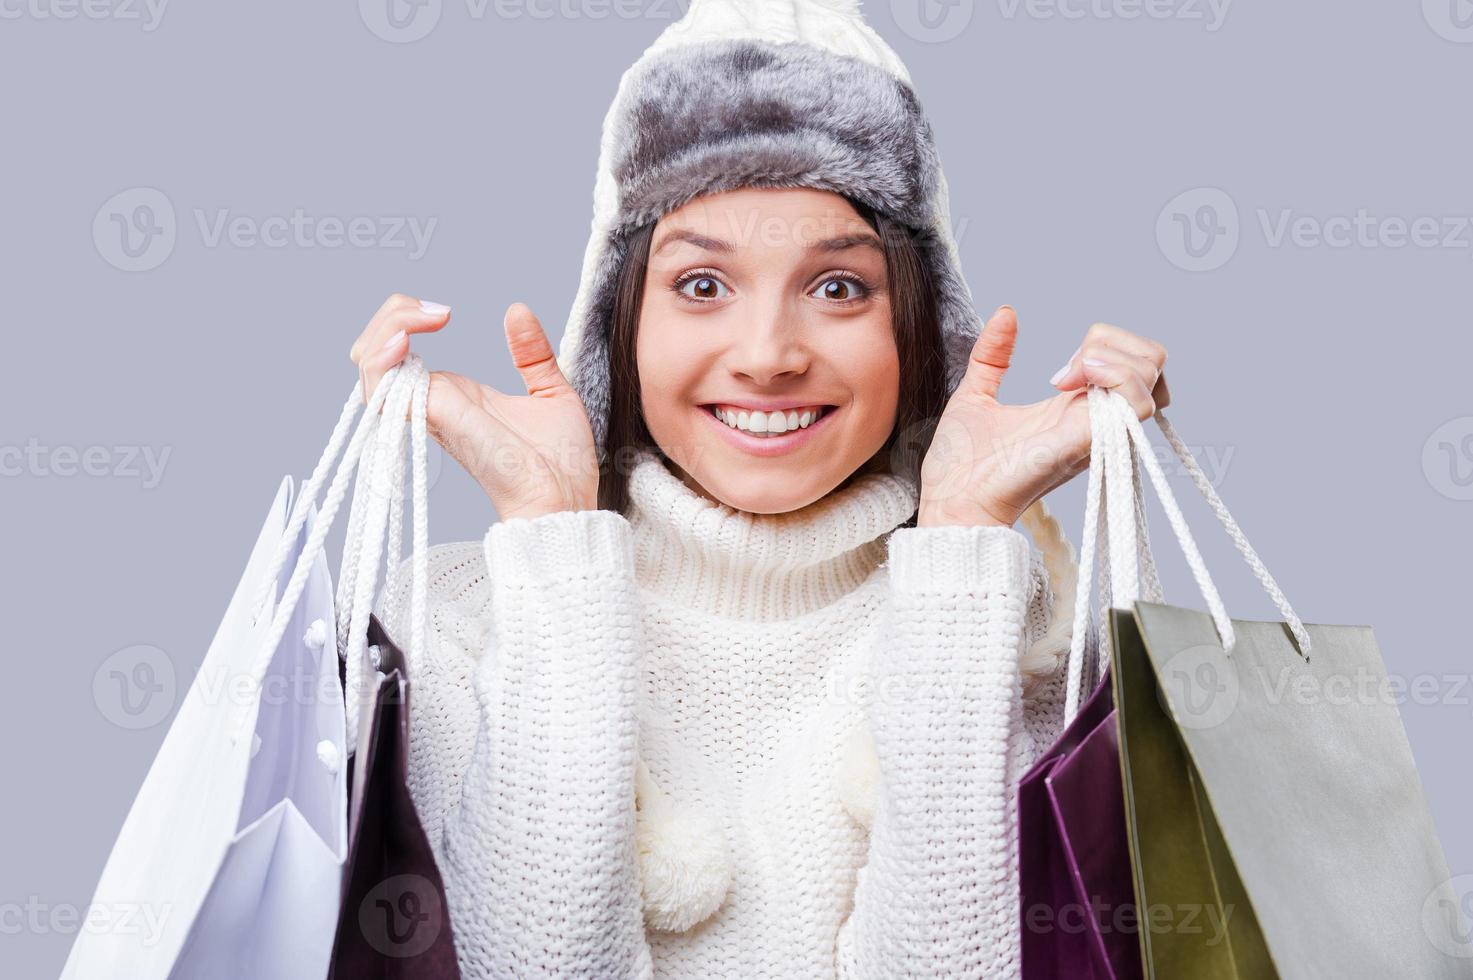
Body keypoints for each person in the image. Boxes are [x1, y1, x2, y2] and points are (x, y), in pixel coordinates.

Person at [346, 2, 1168, 977]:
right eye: (702, 285)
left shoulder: (1028, 632)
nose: (770, 354)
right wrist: (555, 546)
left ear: (914, 320)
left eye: (836, 287)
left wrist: (961, 541)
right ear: (624, 315)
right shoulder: (453, 623)